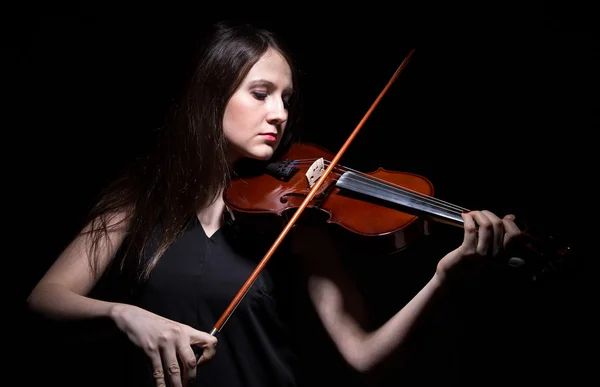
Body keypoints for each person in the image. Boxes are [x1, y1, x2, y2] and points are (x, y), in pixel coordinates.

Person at [26, 21, 522, 387]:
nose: (280, 114)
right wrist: (124, 314)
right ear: (212, 96)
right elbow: (45, 299)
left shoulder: (299, 226)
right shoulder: (139, 199)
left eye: (286, 98)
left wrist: (443, 277)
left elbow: (364, 354)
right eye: (261, 94)